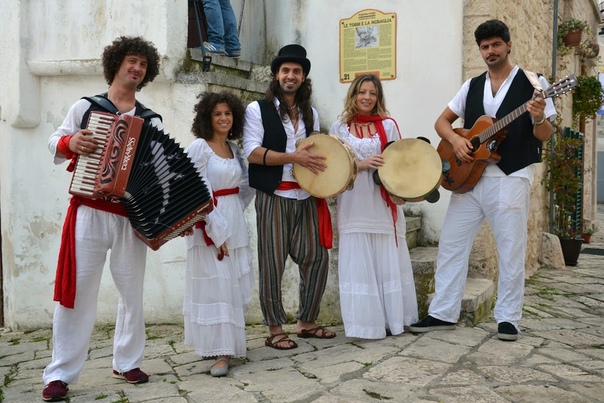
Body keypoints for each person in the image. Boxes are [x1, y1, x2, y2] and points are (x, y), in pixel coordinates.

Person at [409, 19, 556, 341]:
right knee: (451, 244)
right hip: (468, 178)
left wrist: (538, 116)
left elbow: (544, 134)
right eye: (485, 47)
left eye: (496, 45)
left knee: (510, 249)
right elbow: (442, 122)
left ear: (508, 45)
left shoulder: (535, 83)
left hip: (511, 176)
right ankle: (442, 312)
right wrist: (456, 140)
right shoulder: (472, 85)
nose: (490, 51)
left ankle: (508, 318)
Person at [43, 36, 163, 402]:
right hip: (90, 210)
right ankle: (60, 373)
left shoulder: (150, 120)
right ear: (117, 63)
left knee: (132, 292)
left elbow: (157, 171)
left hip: (129, 217)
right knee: (78, 292)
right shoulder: (86, 107)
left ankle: (127, 362)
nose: (137, 67)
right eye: (132, 60)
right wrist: (70, 144)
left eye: (143, 64)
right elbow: (54, 141)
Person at [242, 44, 336, 350]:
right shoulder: (257, 109)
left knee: (317, 258)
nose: (290, 76)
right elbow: (251, 152)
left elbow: (317, 154)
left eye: (296, 71)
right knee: (272, 264)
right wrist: (292, 157)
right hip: (273, 196)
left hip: (306, 195)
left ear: (303, 77)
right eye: (285, 71)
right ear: (276, 75)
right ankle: (274, 329)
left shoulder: (311, 113)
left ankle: (306, 321)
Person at [330, 74, 418, 339]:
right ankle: (366, 324)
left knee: (386, 260)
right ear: (353, 95)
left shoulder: (388, 126)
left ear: (378, 97)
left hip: (381, 202)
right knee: (359, 262)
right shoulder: (339, 127)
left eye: (372, 93)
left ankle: (393, 320)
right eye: (362, 92)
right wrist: (362, 164)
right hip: (353, 201)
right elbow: (334, 166)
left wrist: (401, 193)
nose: (367, 97)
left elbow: (399, 164)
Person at [183, 91, 254, 377]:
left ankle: (226, 344)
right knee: (218, 285)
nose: (224, 118)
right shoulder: (200, 147)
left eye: (228, 113)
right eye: (217, 114)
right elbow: (194, 190)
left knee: (232, 285)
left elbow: (244, 187)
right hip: (209, 223)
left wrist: (234, 213)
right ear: (207, 118)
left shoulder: (234, 149)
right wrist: (216, 230)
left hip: (233, 218)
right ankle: (221, 352)